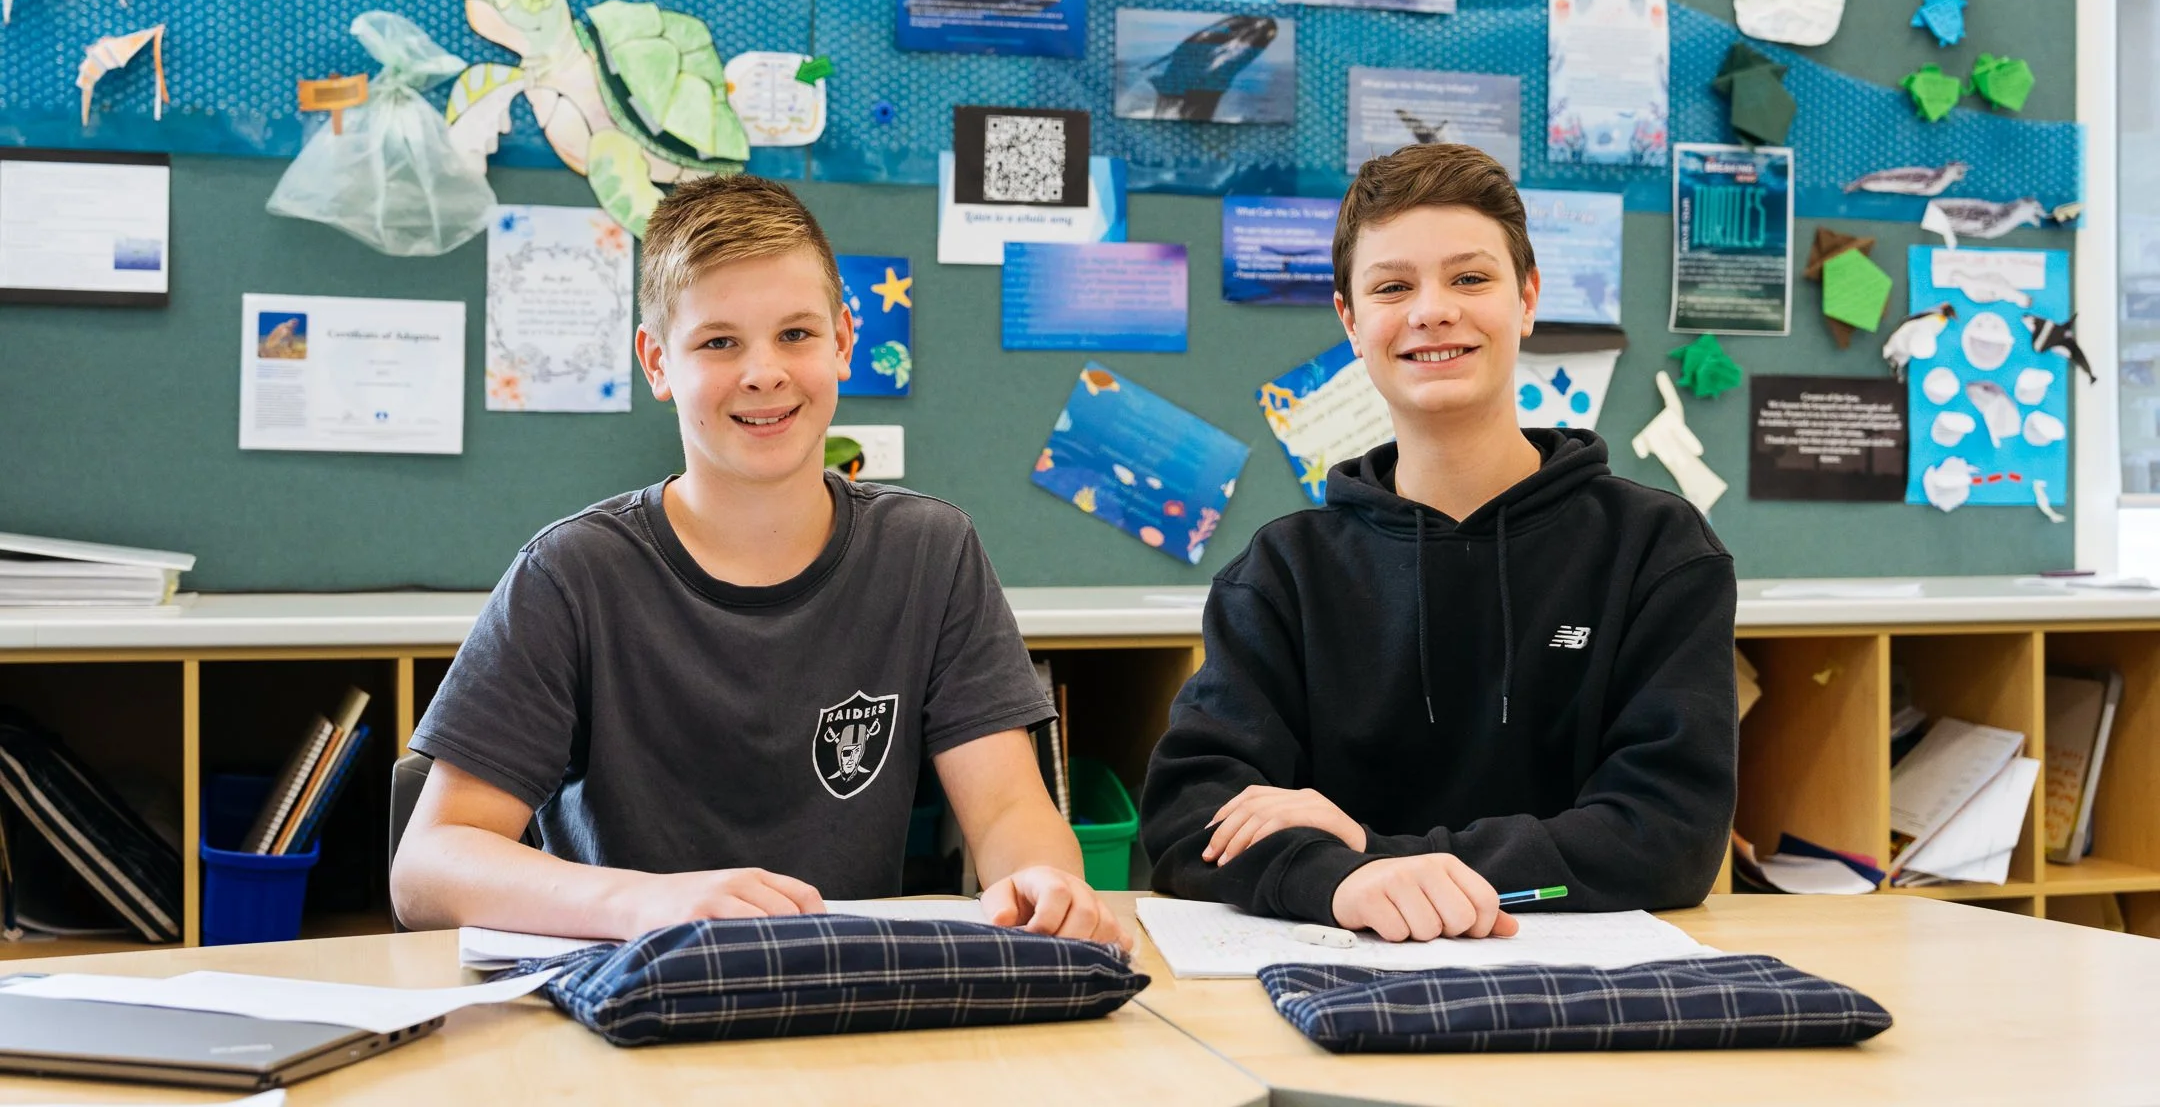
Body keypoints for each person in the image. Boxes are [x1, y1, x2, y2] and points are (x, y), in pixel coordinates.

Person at [392, 176, 1127, 950]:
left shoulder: (929, 553)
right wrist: (644, 904)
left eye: (796, 335)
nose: (764, 372)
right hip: (628, 998)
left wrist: (1045, 881)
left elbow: (1011, 812)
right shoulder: (571, 575)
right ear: (657, 362)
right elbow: (429, 869)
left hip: (838, 1000)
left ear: (844, 342)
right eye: (719, 342)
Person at [1141, 142, 1736, 943]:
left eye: (1470, 278)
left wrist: (1370, 859)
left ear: (1527, 299)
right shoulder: (1283, 574)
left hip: (1582, 988)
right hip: (1334, 974)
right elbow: (1192, 821)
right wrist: (1340, 885)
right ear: (1351, 322)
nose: (1431, 311)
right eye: (1393, 287)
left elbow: (1669, 838)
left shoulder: (1656, 551)